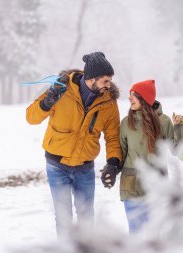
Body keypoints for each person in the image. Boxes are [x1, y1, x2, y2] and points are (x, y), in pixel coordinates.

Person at [26, 52, 122, 236]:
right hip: (57, 165)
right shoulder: (61, 89)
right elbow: (31, 117)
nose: (108, 85)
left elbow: (112, 137)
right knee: (64, 219)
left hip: (85, 168)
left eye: (110, 80)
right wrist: (46, 103)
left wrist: (113, 163)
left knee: (87, 219)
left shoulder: (108, 102)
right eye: (105, 81)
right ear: (91, 79)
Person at [101, 79, 183, 233]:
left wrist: (179, 128)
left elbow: (177, 150)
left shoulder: (164, 122)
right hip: (131, 186)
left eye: (134, 95)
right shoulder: (126, 123)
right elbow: (121, 153)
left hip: (156, 187)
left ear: (145, 98)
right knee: (136, 234)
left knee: (154, 234)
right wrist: (111, 169)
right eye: (129, 95)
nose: (129, 98)